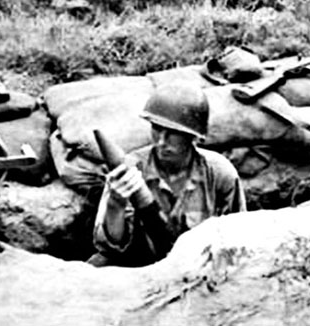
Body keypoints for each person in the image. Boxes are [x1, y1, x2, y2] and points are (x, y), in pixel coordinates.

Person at [90, 82, 246, 267]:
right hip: (139, 269)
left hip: (201, 270)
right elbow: (110, 247)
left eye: (172, 133)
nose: (161, 141)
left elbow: (239, 239)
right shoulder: (130, 170)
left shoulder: (219, 174)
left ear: (193, 136)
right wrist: (115, 205)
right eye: (156, 128)